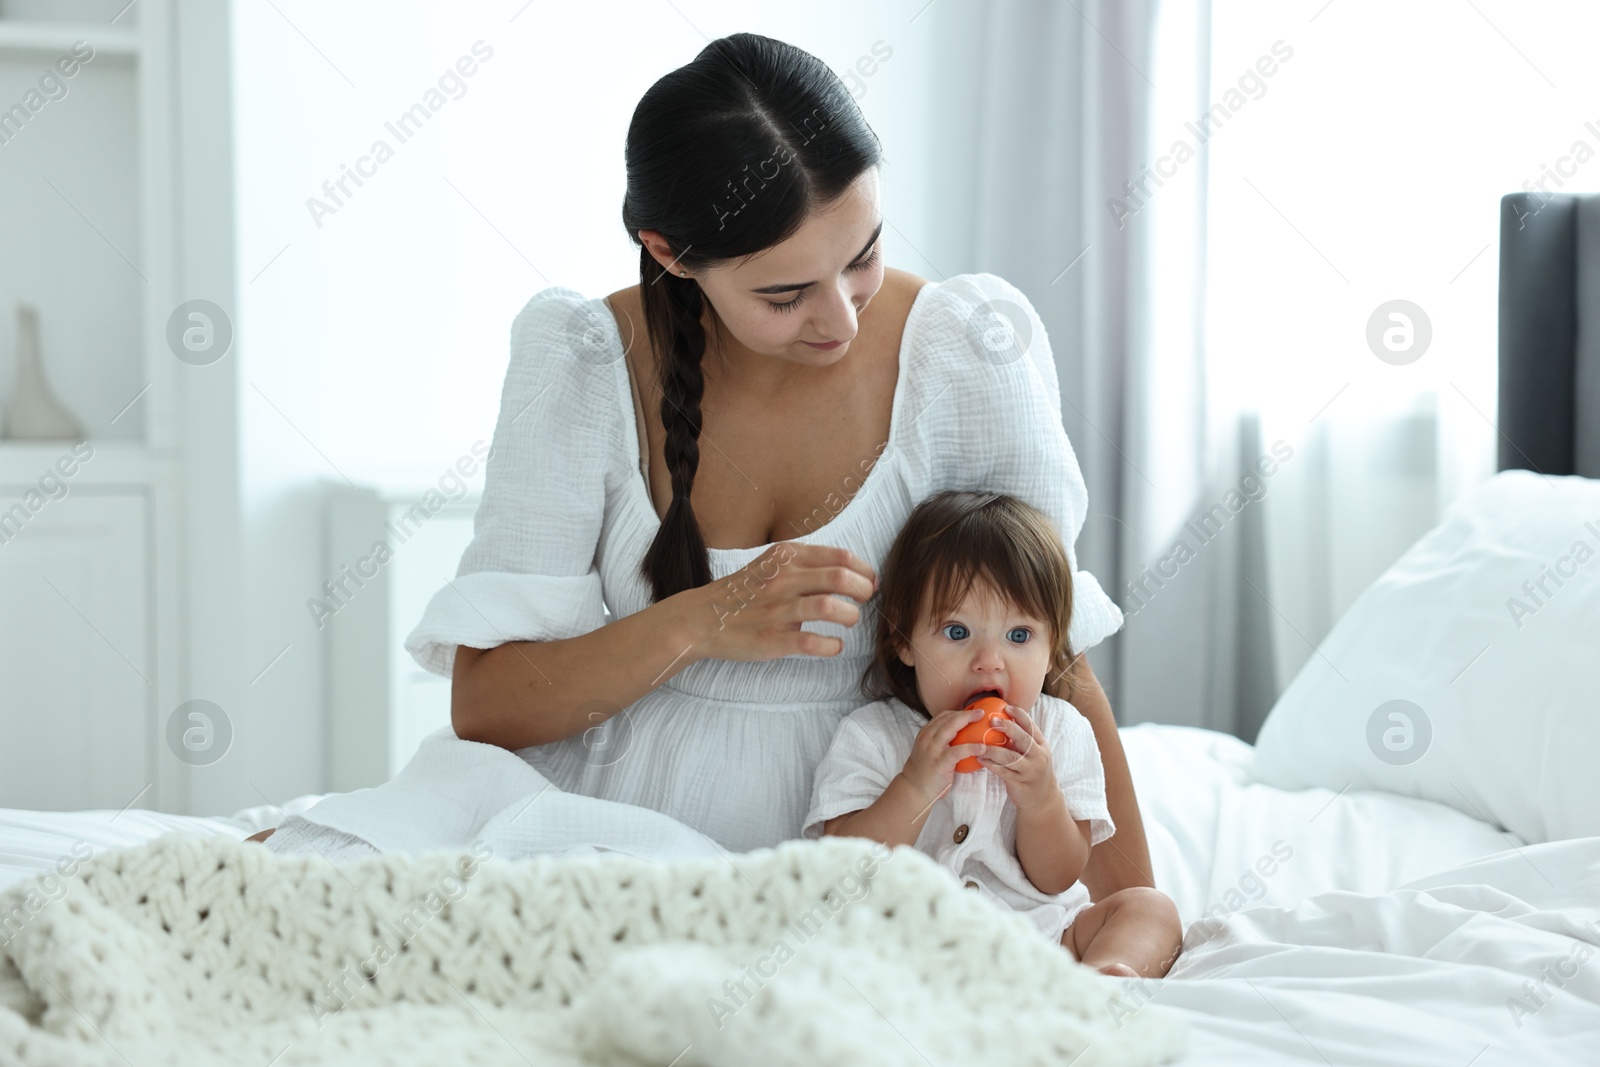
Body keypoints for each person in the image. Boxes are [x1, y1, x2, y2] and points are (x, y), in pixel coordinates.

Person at [253, 31, 1180, 974]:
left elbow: (1050, 653)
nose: (843, 317)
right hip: (616, 816)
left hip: (867, 841)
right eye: (786, 294)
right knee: (305, 909)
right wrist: (700, 622)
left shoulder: (966, 352)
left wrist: (1136, 927)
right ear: (670, 253)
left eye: (862, 256)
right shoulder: (584, 359)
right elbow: (485, 705)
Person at [803, 490, 1181, 978]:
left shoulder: (1060, 732)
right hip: (911, 949)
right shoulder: (873, 734)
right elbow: (842, 868)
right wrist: (915, 785)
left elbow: (1058, 877)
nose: (989, 660)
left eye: (1019, 636)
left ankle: (1105, 983)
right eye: (957, 632)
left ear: (1052, 651)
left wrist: (1041, 799)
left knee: (1150, 909)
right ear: (905, 642)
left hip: (1040, 938)